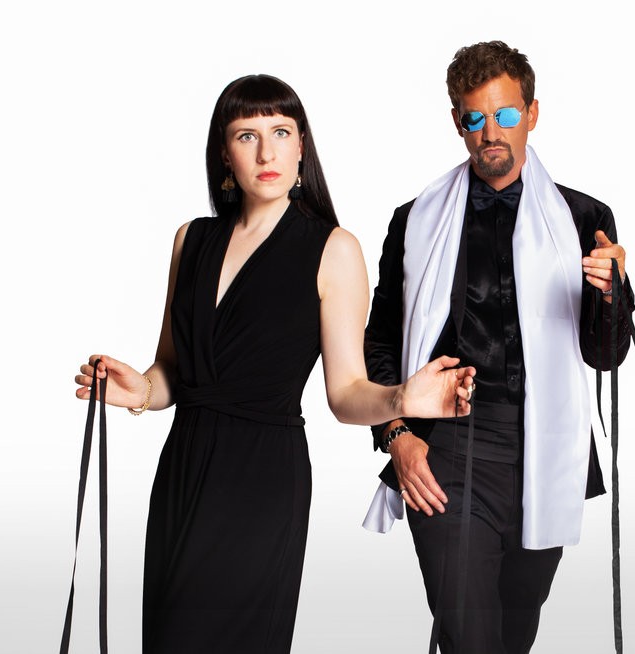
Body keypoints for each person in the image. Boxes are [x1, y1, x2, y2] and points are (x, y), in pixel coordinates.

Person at [73, 74, 475, 654]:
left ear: (301, 145)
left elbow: (345, 392)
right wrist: (139, 390)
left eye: (281, 132)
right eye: (247, 135)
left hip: (262, 480)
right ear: (224, 152)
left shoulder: (333, 248)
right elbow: (171, 372)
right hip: (184, 469)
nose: (267, 153)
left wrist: (400, 399)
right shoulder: (191, 240)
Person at [361, 41, 635, 653]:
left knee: (514, 633)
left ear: (532, 113)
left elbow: (604, 355)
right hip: (446, 447)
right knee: (469, 637)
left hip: (546, 445)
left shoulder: (584, 216)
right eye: (475, 117)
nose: (491, 132)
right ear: (457, 122)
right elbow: (379, 340)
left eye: (506, 114)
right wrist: (396, 434)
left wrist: (614, 293)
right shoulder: (414, 220)